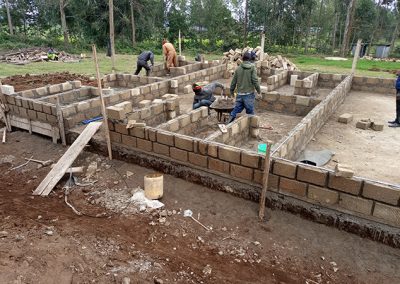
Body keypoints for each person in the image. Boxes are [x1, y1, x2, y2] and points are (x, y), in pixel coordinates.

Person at [227, 52, 261, 124]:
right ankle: (251, 129)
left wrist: (232, 92)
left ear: (242, 59)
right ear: (249, 59)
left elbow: (233, 82)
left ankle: (228, 123)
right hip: (248, 95)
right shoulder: (252, 68)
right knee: (250, 112)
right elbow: (255, 80)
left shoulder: (238, 68)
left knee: (236, 110)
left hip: (239, 94)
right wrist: (259, 91)